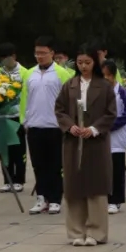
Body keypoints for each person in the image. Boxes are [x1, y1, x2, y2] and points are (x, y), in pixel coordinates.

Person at [54, 45, 117, 246]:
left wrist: (94, 129)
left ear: (95, 63)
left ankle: (96, 232)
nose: (83, 66)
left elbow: (110, 113)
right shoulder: (70, 85)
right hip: (73, 142)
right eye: (80, 62)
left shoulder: (105, 86)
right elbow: (60, 110)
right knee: (74, 186)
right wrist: (70, 126)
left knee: (96, 186)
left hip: (96, 143)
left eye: (87, 62)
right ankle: (76, 232)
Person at [22, 36, 75, 215]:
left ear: (52, 53)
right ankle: (41, 197)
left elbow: (71, 101)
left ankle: (55, 199)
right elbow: (24, 99)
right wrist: (25, 121)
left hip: (55, 126)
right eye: (37, 53)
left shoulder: (62, 74)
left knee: (55, 165)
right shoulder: (30, 73)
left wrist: (68, 123)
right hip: (35, 125)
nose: (40, 56)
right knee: (38, 164)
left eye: (43, 53)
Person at [103, 60, 126, 214]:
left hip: (117, 134)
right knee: (104, 167)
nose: (105, 79)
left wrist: (111, 125)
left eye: (107, 76)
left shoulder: (121, 91)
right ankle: (105, 197)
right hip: (102, 134)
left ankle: (116, 200)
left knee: (116, 167)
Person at [0, 42, 27, 194]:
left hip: (18, 117)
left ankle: (19, 179)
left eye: (7, 57)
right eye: (1, 58)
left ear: (14, 56)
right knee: (3, 151)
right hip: (2, 117)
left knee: (18, 149)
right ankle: (7, 179)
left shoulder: (24, 73)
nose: (4, 61)